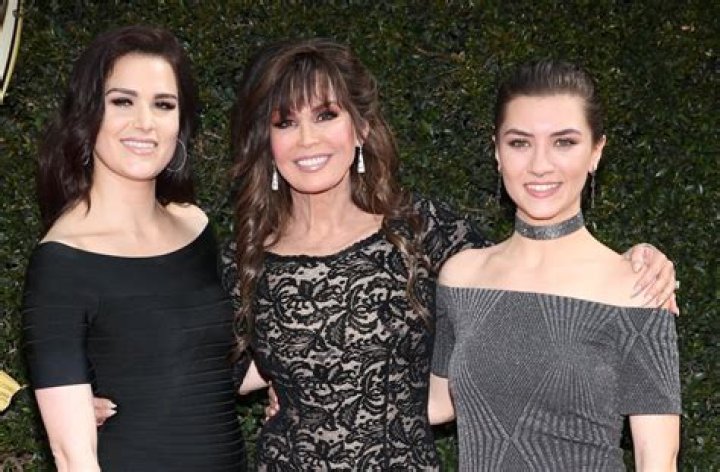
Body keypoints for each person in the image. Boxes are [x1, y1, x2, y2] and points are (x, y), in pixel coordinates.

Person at [220, 39, 677, 470]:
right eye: (285, 122)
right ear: (266, 140)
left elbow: (525, 290)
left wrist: (636, 264)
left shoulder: (425, 233)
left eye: (325, 115)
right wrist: (297, 382)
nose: (307, 139)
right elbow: (211, 373)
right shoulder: (245, 259)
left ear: (361, 128)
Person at [430, 60, 681, 471]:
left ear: (596, 151)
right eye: (520, 143)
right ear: (497, 151)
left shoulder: (638, 287)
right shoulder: (461, 278)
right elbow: (435, 403)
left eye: (564, 142)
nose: (540, 165)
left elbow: (657, 458)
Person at [21, 26, 245, 471]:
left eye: (163, 104)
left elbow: (210, 368)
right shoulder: (62, 261)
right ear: (88, 114)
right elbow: (73, 456)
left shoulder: (196, 227)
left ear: (181, 123)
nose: (145, 122)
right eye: (122, 101)